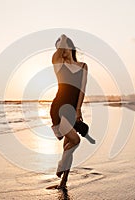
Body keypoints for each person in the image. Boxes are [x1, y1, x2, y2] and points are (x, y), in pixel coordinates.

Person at [50, 34, 88, 189]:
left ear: (70, 47)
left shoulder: (83, 66)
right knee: (75, 140)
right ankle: (61, 165)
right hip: (58, 109)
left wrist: (78, 109)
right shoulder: (59, 64)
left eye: (64, 48)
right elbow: (57, 53)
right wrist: (60, 42)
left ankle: (63, 182)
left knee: (69, 147)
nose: (61, 51)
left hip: (72, 110)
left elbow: (82, 90)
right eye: (59, 49)